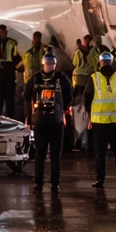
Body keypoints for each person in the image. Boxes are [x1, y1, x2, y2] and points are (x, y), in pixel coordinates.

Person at [23, 51, 73, 194]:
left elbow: (26, 96)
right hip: (50, 121)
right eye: (49, 63)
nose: (50, 66)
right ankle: (50, 183)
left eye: (51, 63)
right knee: (49, 154)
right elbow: (69, 97)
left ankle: (44, 183)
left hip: (46, 121)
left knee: (45, 154)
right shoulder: (60, 78)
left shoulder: (37, 78)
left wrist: (28, 117)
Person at [84, 51, 116, 189]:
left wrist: (90, 118)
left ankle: (100, 179)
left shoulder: (94, 78)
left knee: (100, 153)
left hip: (99, 122)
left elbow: (87, 99)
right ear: (112, 62)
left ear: (100, 63)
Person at [71, 35, 100, 148]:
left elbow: (75, 63)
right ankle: (87, 141)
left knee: (78, 109)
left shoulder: (78, 52)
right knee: (88, 107)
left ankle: (79, 139)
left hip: (79, 80)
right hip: (89, 78)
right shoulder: (94, 51)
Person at [0, 25, 21, 118]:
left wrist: (13, 67)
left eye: (1, 32)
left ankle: (10, 121)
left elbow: (16, 58)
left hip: (8, 76)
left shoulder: (12, 43)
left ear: (6, 33)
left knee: (9, 102)